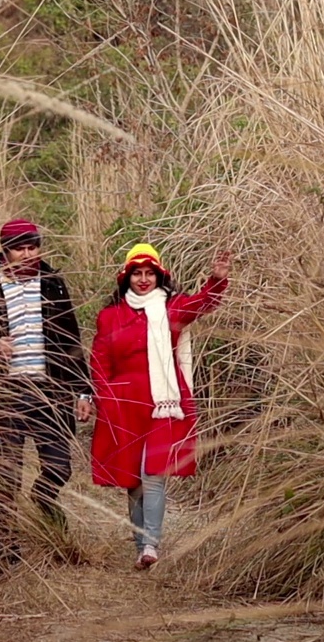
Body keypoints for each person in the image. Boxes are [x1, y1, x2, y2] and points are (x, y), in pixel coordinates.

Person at [0, 219, 95, 570]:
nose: (28, 254)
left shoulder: (52, 284)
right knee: (6, 475)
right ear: (6, 251)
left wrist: (82, 391)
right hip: (5, 393)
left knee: (59, 466)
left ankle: (44, 501)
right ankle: (4, 552)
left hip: (49, 390)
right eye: (20, 248)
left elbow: (71, 342)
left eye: (33, 247)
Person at [89, 243, 232, 570]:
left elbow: (202, 304)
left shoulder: (172, 308)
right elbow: (99, 362)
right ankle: (141, 545)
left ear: (159, 276)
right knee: (133, 480)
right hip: (123, 404)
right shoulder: (110, 316)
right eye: (136, 274)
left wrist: (217, 280)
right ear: (126, 278)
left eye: (149, 273)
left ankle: (151, 544)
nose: (143, 280)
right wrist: (104, 397)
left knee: (153, 474)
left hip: (165, 404)